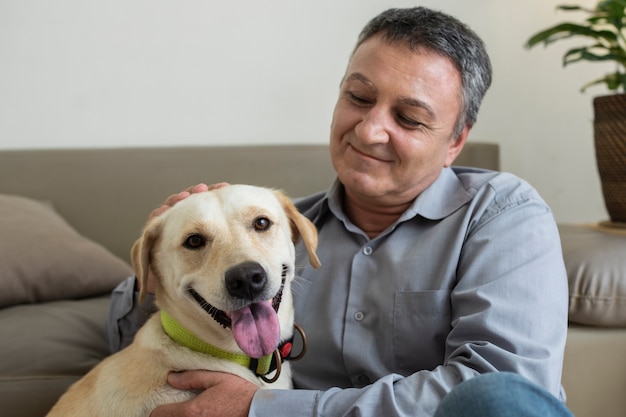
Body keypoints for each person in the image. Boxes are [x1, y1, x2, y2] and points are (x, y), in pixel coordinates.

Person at [107, 7, 573, 417]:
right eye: (359, 98)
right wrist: (169, 251)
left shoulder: (503, 213)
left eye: (408, 118)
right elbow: (131, 347)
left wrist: (265, 409)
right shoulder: (278, 235)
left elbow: (501, 393)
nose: (370, 131)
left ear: (455, 140)